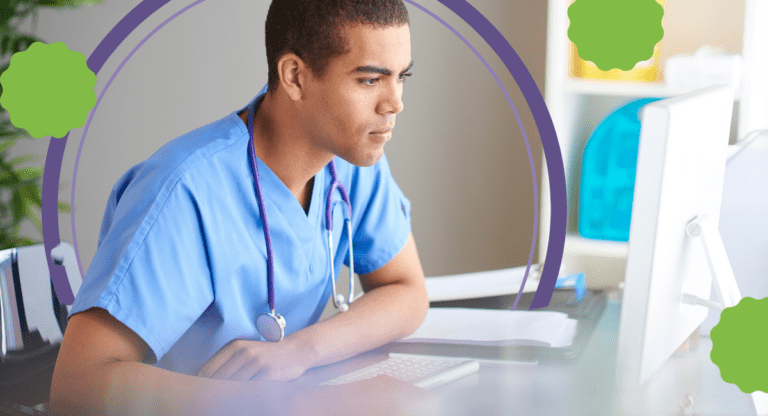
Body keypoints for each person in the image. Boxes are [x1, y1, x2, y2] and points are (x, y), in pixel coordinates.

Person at [49, 0, 429, 414]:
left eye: (401, 77)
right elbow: (76, 384)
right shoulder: (183, 191)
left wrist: (301, 351)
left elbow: (407, 291)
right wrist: (288, 402)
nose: (394, 104)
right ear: (295, 77)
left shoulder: (351, 158)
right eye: (371, 80)